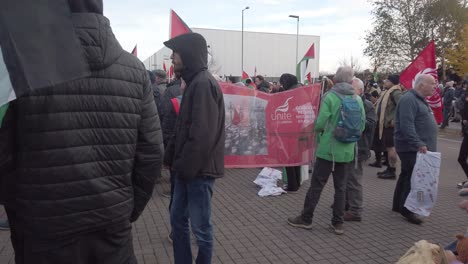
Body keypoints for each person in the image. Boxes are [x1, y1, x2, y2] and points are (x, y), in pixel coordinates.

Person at [0, 1, 164, 263]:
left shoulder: (24, 65)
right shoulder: (135, 71)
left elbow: (4, 154)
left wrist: (19, 211)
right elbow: (152, 152)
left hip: (45, 229)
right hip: (112, 230)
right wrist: (126, 210)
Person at [163, 32, 225, 264]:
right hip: (187, 170)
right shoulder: (194, 83)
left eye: (175, 52)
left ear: (188, 54)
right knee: (178, 220)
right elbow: (183, 128)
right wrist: (171, 155)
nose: (172, 57)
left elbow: (202, 135)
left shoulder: (203, 84)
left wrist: (184, 170)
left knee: (201, 228)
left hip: (198, 173)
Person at [287, 66, 365, 235]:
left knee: (316, 186)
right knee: (341, 188)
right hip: (347, 152)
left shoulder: (330, 97)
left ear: (335, 79)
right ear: (351, 81)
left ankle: (306, 219)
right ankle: (338, 223)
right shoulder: (357, 99)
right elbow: (362, 124)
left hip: (328, 150)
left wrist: (319, 131)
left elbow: (320, 123)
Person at [392, 74, 438, 225]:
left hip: (415, 147)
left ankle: (398, 205)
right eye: (431, 83)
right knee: (413, 178)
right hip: (410, 148)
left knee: (406, 175)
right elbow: (407, 125)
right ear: (421, 85)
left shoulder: (419, 100)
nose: (434, 86)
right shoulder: (409, 100)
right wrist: (418, 143)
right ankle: (408, 210)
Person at [344, 77, 376, 222]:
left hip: (359, 147)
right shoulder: (347, 101)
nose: (349, 92)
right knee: (345, 176)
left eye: (353, 89)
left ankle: (356, 210)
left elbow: (370, 124)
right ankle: (345, 203)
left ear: (361, 90)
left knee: (354, 179)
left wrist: (354, 119)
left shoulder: (367, 105)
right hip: (348, 145)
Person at [375, 74, 404, 179]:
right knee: (388, 148)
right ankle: (389, 168)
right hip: (385, 125)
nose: (385, 82)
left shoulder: (396, 93)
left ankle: (392, 171)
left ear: (392, 82)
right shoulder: (388, 92)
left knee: (391, 148)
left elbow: (403, 106)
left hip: (391, 126)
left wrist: (395, 120)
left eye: (387, 81)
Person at [279, 73, 303, 193]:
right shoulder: (301, 90)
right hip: (300, 130)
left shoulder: (291, 93)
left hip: (290, 129)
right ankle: (297, 182)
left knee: (288, 158)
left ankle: (292, 185)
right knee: (296, 158)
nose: (281, 86)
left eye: (282, 83)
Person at [457, 88, 468, 188]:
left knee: (462, 158)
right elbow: (463, 110)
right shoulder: (465, 95)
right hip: (466, 131)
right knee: (461, 158)